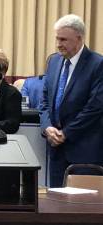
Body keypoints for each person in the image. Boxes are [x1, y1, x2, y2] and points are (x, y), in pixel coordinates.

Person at [39, 14, 103, 187]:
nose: (58, 44)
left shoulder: (97, 64)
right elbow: (44, 101)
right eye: (57, 39)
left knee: (82, 209)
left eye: (64, 39)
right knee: (56, 205)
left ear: (79, 38)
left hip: (85, 152)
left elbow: (95, 108)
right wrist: (47, 128)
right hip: (56, 151)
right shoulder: (53, 61)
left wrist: (66, 133)